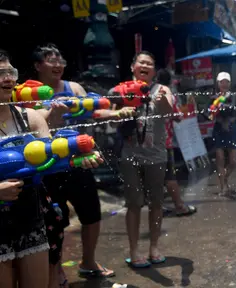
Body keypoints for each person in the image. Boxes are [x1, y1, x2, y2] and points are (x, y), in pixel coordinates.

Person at [0, 50, 102, 288]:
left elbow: (53, 156)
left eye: (10, 72)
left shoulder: (31, 118)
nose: (8, 78)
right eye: (0, 73)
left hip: (31, 215)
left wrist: (79, 158)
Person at [31, 44, 115, 280]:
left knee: (92, 213)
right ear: (38, 66)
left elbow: (93, 112)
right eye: (50, 60)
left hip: (78, 163)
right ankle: (55, 269)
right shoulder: (30, 92)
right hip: (49, 168)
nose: (57, 65)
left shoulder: (74, 88)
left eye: (60, 60)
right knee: (54, 221)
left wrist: (118, 113)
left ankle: (88, 262)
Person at [109, 51, 173, 268]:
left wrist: (162, 100)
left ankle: (154, 246)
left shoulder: (162, 89)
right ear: (133, 67)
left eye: (150, 64)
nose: (145, 66)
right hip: (130, 157)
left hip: (156, 156)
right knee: (134, 204)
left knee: (156, 203)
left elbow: (168, 113)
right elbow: (105, 114)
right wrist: (118, 112)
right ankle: (134, 249)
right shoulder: (120, 90)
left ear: (154, 71)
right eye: (141, 62)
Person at [156, 69, 197, 217]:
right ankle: (179, 206)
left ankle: (158, 208)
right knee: (170, 177)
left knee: (157, 177)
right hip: (165, 143)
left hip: (149, 143)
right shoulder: (168, 95)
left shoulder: (151, 94)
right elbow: (178, 116)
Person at [211, 72, 236, 196]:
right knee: (220, 159)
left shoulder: (233, 96)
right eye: (222, 82)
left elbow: (232, 108)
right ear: (218, 83)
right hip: (219, 129)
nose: (224, 84)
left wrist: (222, 106)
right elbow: (209, 113)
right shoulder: (213, 97)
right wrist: (213, 109)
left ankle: (225, 178)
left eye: (226, 81)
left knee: (233, 161)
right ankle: (223, 187)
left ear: (229, 83)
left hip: (231, 128)